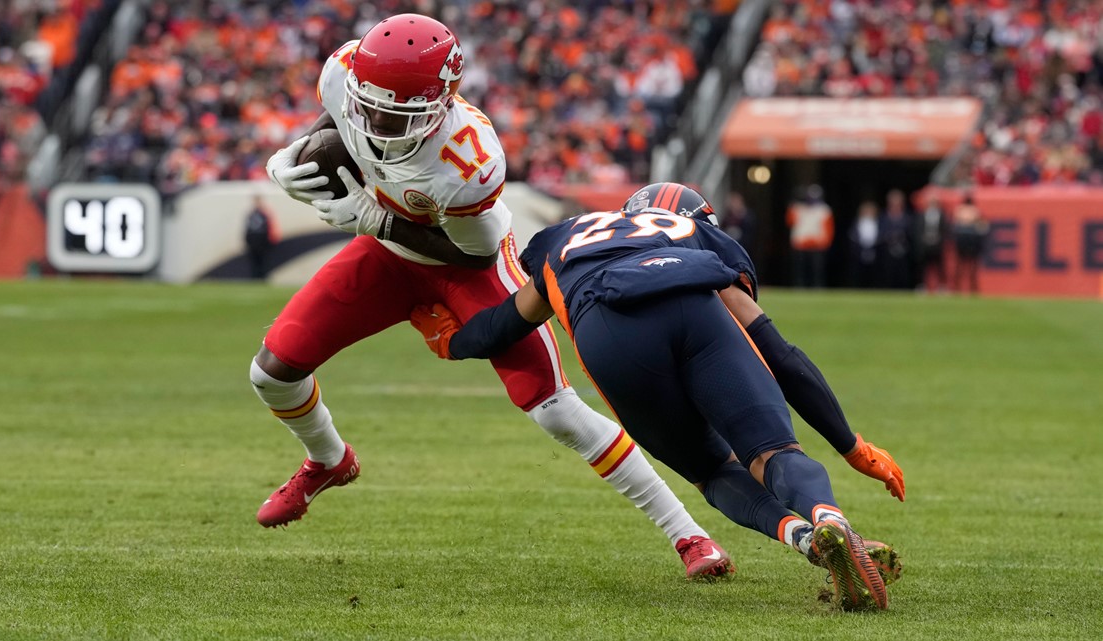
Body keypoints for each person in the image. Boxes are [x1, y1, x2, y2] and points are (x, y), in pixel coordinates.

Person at [254, 14, 731, 579]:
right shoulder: (345, 74)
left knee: (556, 410)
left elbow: (472, 255)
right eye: (370, 103)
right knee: (272, 372)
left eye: (397, 113)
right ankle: (329, 461)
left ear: (439, 104)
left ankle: (690, 537)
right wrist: (296, 152)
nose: (377, 120)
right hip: (387, 253)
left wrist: (374, 218)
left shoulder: (467, 159)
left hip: (463, 263)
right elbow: (338, 117)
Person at [411, 183, 905, 611]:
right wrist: (851, 446)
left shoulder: (563, 237)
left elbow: (503, 324)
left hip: (608, 327)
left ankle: (808, 542)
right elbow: (781, 355)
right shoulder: (697, 234)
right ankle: (829, 518)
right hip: (695, 309)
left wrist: (455, 342)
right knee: (772, 451)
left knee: (713, 469)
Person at [785, 184, 833, 288]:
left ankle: (817, 287)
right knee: (800, 269)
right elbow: (789, 222)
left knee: (817, 269)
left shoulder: (824, 210)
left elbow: (829, 229)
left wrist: (825, 243)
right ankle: (799, 286)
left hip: (817, 244)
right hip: (800, 243)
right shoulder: (797, 208)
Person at [951, 193, 988, 295]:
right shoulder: (963, 210)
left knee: (971, 267)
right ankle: (958, 288)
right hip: (964, 240)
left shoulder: (970, 210)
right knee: (962, 267)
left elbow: (981, 225)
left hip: (971, 240)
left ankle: (971, 288)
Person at [914, 193, 949, 293]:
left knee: (940, 267)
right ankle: (922, 286)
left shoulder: (942, 215)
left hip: (937, 245)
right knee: (923, 267)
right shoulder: (922, 214)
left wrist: (940, 241)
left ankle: (942, 286)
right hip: (925, 244)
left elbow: (944, 230)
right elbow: (919, 229)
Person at [847, 200, 880, 289]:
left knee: (873, 274)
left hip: (874, 251)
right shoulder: (857, 223)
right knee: (858, 273)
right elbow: (853, 236)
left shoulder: (878, 223)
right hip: (859, 252)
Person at [243, 196, 277, 280]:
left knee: (264, 261)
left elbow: (270, 228)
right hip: (253, 241)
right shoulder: (251, 214)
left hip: (263, 241)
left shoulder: (265, 214)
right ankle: (255, 278)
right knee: (254, 261)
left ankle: (263, 278)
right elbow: (247, 229)